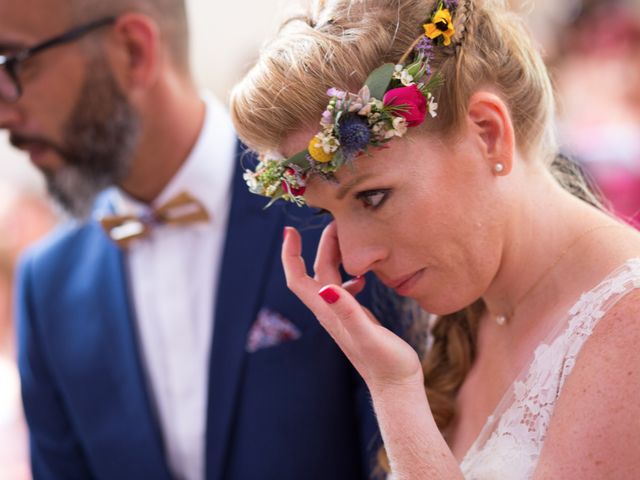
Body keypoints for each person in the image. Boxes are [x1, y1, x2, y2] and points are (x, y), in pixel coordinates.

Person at [230, 0, 640, 478]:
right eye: (327, 213)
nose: (357, 260)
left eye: (373, 196)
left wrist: (393, 391)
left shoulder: (628, 335)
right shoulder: (463, 314)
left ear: (488, 134)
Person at [0, 1, 381, 479]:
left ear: (134, 50)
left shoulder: (326, 201)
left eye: (11, 63)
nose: (2, 112)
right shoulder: (46, 286)